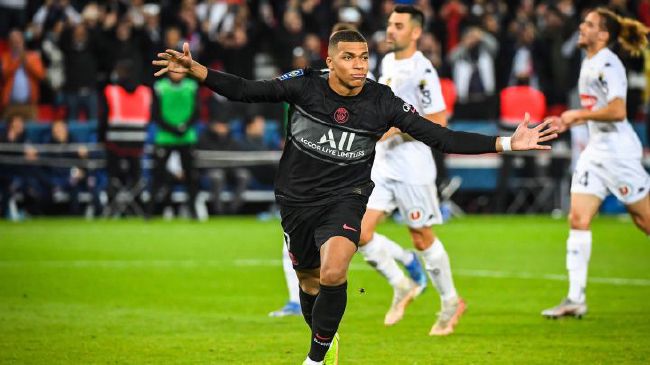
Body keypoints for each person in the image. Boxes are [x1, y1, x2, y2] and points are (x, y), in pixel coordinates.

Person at [153, 32, 556, 365]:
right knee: (309, 283)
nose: (360, 65)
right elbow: (246, 91)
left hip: (347, 196)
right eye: (349, 58)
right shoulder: (305, 85)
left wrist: (506, 142)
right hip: (297, 199)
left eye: (364, 57)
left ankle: (314, 360)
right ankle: (326, 337)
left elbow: (441, 136)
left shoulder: (382, 101)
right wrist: (199, 72)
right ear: (331, 60)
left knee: (333, 271)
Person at [356, 5, 464, 336]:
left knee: (421, 237)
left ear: (415, 32)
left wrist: (394, 129)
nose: (390, 30)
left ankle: (450, 301)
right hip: (384, 163)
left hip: (413, 166)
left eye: (398, 26)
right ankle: (401, 284)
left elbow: (438, 121)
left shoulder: (423, 70)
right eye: (390, 24)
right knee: (358, 232)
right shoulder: (387, 62)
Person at [541, 8, 650, 319]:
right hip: (595, 152)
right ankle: (575, 298)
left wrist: (580, 115)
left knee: (645, 222)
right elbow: (596, 109)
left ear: (603, 35)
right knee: (578, 219)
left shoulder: (609, 64)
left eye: (588, 24)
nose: (581, 27)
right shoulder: (589, 61)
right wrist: (570, 122)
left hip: (619, 154)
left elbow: (618, 111)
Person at [147, 70, 200, 219]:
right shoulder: (160, 87)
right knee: (157, 175)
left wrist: (184, 127)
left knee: (191, 177)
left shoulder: (192, 86)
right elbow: (155, 114)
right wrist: (174, 129)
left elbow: (197, 112)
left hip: (187, 137)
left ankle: (193, 211)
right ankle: (149, 211)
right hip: (165, 137)